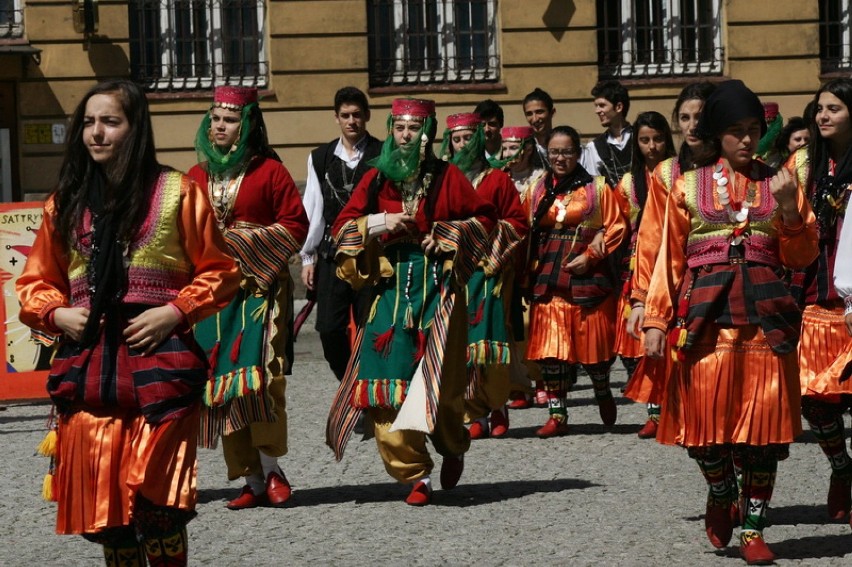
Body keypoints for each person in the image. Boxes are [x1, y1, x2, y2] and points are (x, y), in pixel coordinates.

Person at [16, 79, 240, 566]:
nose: (97, 133)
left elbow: (222, 271)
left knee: (159, 509)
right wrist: (57, 312)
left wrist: (175, 310)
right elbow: (34, 285)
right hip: (91, 371)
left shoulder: (180, 192)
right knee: (109, 518)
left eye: (111, 122)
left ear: (135, 129)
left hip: (162, 371)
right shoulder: (65, 203)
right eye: (89, 123)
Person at [642, 79, 818, 564]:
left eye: (754, 130)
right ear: (717, 135)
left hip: (766, 318)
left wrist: (787, 208)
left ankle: (754, 530)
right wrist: (655, 319)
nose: (746, 139)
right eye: (736, 131)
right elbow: (667, 259)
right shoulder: (685, 186)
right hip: (704, 318)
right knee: (704, 433)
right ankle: (721, 492)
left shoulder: (782, 183)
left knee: (761, 436)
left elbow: (801, 257)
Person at [325, 98, 496, 506]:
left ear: (429, 133)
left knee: (440, 383)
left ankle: (452, 444)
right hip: (389, 294)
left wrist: (448, 235)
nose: (406, 136)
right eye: (399, 129)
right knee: (385, 387)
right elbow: (341, 228)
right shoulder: (375, 177)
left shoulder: (448, 175)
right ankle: (415, 475)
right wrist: (382, 223)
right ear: (390, 130)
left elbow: (485, 220)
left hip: (438, 291)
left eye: (414, 129)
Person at [188, 86, 309, 510]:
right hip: (214, 297)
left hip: (260, 291)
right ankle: (249, 477)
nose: (219, 126)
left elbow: (296, 225)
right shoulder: (196, 177)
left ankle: (273, 468)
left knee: (262, 378)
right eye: (215, 119)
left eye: (230, 120)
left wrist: (240, 241)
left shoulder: (270, 171)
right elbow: (182, 233)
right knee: (221, 384)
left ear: (249, 124)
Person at [624, 81, 717, 439]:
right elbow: (650, 240)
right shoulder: (666, 173)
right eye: (685, 117)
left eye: (701, 116)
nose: (693, 125)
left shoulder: (732, 169)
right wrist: (641, 300)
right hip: (674, 284)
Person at [525, 125, 626, 437]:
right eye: (554, 152)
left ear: (578, 153)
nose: (560, 157)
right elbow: (523, 227)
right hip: (548, 277)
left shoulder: (597, 188)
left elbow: (616, 226)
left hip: (588, 278)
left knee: (595, 354)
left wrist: (592, 256)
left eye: (567, 151)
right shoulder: (537, 189)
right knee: (550, 354)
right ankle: (558, 414)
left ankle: (602, 391)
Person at [439, 112, 528, 439]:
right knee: (458, 344)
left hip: (490, 271)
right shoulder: (442, 178)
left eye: (467, 138)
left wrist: (489, 247)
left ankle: (497, 404)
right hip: (454, 272)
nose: (462, 144)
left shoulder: (497, 179)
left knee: (488, 341)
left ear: (478, 139)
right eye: (456, 139)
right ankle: (471, 410)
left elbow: (517, 221)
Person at [789, 78, 852, 526]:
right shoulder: (802, 163)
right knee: (815, 400)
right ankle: (841, 467)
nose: (823, 116)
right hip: (814, 293)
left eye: (834, 108)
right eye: (819, 108)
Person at [300, 87, 383, 381]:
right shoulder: (320, 157)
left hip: (372, 256)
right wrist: (307, 257)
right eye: (345, 115)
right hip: (332, 255)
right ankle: (350, 382)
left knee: (371, 326)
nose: (352, 121)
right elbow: (313, 209)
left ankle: (370, 389)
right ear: (336, 118)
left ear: (367, 116)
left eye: (357, 115)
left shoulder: (383, 153)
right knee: (328, 329)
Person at [612, 111, 675, 438]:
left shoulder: (681, 175)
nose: (652, 146)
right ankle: (654, 411)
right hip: (639, 266)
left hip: (675, 260)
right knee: (638, 343)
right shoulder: (627, 183)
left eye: (658, 138)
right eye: (645, 140)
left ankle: (672, 407)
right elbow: (616, 225)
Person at [499, 126, 548, 410]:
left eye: (513, 147)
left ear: (528, 148)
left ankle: (540, 377)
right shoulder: (498, 178)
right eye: (504, 148)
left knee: (531, 323)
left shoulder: (541, 180)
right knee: (507, 325)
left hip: (533, 257)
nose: (508, 153)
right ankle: (517, 385)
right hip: (505, 258)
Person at [581, 80, 633, 188]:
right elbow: (594, 188)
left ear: (618, 107)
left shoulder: (640, 138)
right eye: (596, 106)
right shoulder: (594, 147)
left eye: (602, 105)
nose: (597, 111)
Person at [522, 88, 556, 170]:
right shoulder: (524, 151)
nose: (535, 119)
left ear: (552, 112)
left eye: (539, 112)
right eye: (529, 114)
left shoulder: (565, 144)